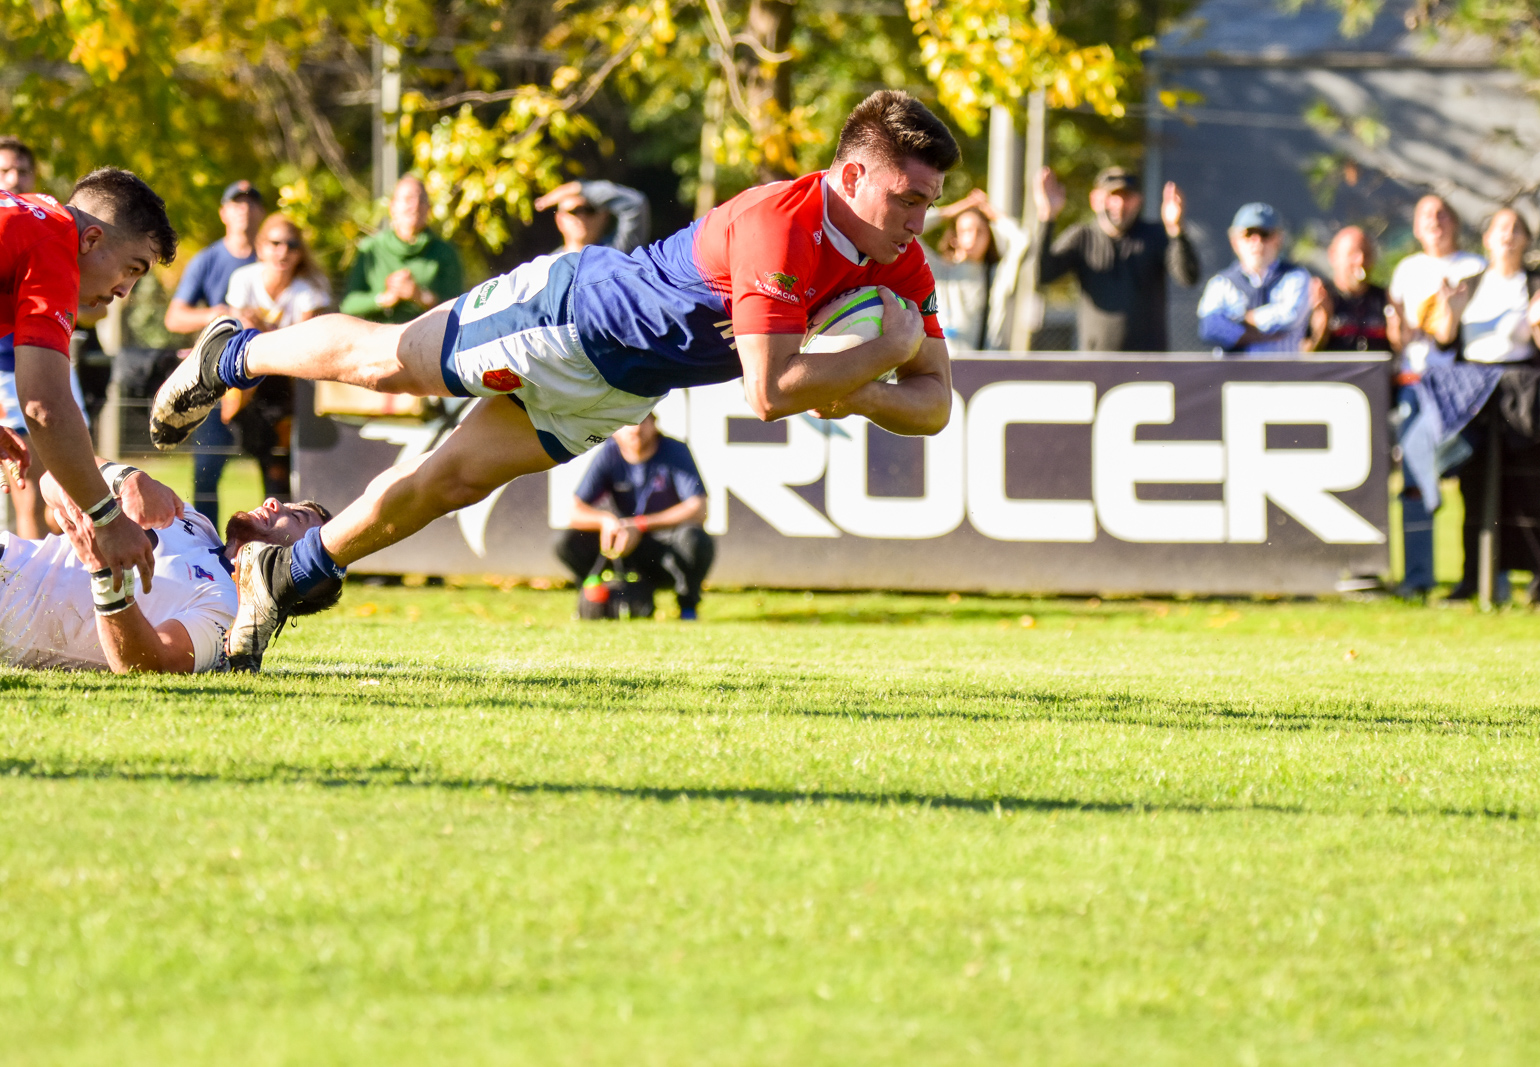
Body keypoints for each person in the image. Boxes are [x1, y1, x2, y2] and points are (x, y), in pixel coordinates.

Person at [150, 89, 959, 670]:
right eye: (907, 199)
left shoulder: (903, 265)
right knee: (390, 361)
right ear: (851, 178)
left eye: (928, 203)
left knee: (447, 483)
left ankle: (287, 572)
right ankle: (232, 353)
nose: (918, 222)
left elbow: (935, 404)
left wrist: (862, 381)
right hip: (573, 315)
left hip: (619, 387)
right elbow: (770, 393)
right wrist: (873, 359)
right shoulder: (781, 224)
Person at [2, 166, 178, 595]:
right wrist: (107, 518)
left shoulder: (32, 219)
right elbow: (44, 406)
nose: (124, 292)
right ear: (93, 239)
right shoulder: (56, 245)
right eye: (131, 269)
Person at [1, 456, 330, 673]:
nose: (274, 502)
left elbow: (145, 664)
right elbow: (53, 478)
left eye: (295, 516)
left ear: (301, 571)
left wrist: (104, 573)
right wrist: (125, 480)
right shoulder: (196, 524)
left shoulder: (231, 612)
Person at [1432, 208, 1540, 604]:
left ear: (1525, 240)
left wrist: (1539, 322)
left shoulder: (1538, 285)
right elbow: (1444, 342)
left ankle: (1537, 577)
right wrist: (1450, 315)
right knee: (1473, 489)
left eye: (1515, 230)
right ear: (1487, 238)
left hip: (1522, 396)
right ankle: (1475, 576)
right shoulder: (1469, 285)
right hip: (1473, 394)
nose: (1507, 236)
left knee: (1525, 486)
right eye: (1500, 229)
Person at [1387, 195, 1488, 597]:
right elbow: (1399, 335)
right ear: (1415, 227)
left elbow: (1455, 333)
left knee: (1470, 475)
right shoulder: (1406, 270)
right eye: (1426, 215)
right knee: (1415, 482)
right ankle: (1417, 576)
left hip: (1461, 387)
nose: (1435, 221)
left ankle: (1477, 577)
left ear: (1456, 223)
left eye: (1443, 213)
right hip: (1415, 384)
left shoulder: (1473, 267)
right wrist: (1401, 332)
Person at [0, 136, 93, 540]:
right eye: (5, 171)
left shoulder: (47, 227)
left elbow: (94, 307)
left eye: (22, 170)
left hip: (50, 368)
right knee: (30, 499)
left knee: (64, 494)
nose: (15, 178)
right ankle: (27, 595)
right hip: (11, 376)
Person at [164, 180, 267, 527]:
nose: (245, 209)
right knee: (206, 473)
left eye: (252, 203)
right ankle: (209, 550)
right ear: (223, 213)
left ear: (262, 213)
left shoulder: (275, 256)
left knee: (276, 469)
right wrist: (219, 315)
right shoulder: (208, 260)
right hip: (216, 381)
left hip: (265, 380)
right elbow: (174, 316)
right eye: (236, 203)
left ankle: (283, 552)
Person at [557, 414, 713, 620]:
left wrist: (640, 525)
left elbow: (698, 508)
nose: (635, 429)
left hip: (662, 548)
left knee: (694, 539)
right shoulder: (609, 453)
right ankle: (595, 598)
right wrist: (606, 521)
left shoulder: (675, 450)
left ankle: (687, 608)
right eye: (626, 422)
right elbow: (575, 510)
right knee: (566, 542)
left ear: (655, 424)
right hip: (622, 547)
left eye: (642, 420)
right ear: (614, 430)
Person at [222, 213, 331, 501]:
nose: (283, 251)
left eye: (292, 245)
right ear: (260, 247)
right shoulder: (243, 279)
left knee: (279, 475)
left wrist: (261, 329)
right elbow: (233, 334)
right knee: (217, 461)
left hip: (287, 392)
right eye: (275, 243)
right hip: (243, 391)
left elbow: (304, 342)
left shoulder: (309, 290)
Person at [1034, 166, 1198, 351]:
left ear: (1138, 200)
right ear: (1095, 200)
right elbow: (1040, 275)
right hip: (1097, 362)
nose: (1119, 204)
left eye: (1126, 197)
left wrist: (1176, 230)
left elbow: (1188, 277)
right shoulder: (1082, 237)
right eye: (1112, 196)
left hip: (1148, 363)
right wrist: (1047, 217)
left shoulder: (1155, 236)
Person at [339, 175, 465, 325]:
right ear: (393, 207)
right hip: (380, 339)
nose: (416, 205)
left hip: (430, 339)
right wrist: (384, 299)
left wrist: (419, 296)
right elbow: (348, 304)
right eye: (408, 199)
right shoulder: (371, 249)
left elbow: (459, 308)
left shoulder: (444, 252)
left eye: (422, 200)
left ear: (429, 208)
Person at [919, 187, 1030, 353]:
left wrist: (996, 217)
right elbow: (912, 234)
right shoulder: (939, 270)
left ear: (989, 238)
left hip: (986, 367)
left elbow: (1021, 241)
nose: (972, 238)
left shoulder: (998, 275)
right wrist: (951, 211)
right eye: (965, 231)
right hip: (943, 363)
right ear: (954, 238)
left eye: (980, 232)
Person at [1196, 202, 1313, 353]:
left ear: (1279, 239)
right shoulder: (1221, 283)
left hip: (1281, 374)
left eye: (1265, 234)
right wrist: (1259, 335)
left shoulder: (1296, 276)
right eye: (1248, 234)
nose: (1257, 242)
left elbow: (1290, 317)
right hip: (1233, 374)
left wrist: (1241, 319)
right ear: (1235, 241)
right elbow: (1209, 327)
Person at [1305, 226, 1399, 353]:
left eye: (1366, 253)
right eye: (1353, 254)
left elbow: (1400, 352)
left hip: (1376, 372)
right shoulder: (1322, 297)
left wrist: (1397, 334)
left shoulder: (1384, 298)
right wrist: (1321, 327)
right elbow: (1303, 354)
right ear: (1333, 256)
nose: (1361, 260)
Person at [534, 179, 652, 255]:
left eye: (589, 210)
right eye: (573, 211)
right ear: (559, 220)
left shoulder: (616, 253)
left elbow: (635, 204)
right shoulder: (548, 267)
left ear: (604, 217)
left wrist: (579, 188)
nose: (581, 217)